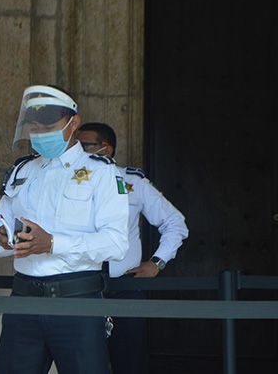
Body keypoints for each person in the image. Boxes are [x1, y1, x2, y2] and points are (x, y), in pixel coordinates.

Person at [0, 85, 129, 374]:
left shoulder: (102, 173)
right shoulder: (23, 171)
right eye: (34, 126)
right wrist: (1, 238)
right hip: (23, 302)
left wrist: (52, 243)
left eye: (48, 126)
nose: (39, 133)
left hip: (76, 303)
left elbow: (116, 244)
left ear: (73, 123)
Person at [77, 122, 189, 374]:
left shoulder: (132, 182)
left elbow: (175, 223)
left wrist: (157, 262)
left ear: (105, 149)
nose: (76, 151)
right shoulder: (69, 184)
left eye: (84, 146)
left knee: (129, 364)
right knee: (82, 365)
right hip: (80, 288)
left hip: (123, 289)